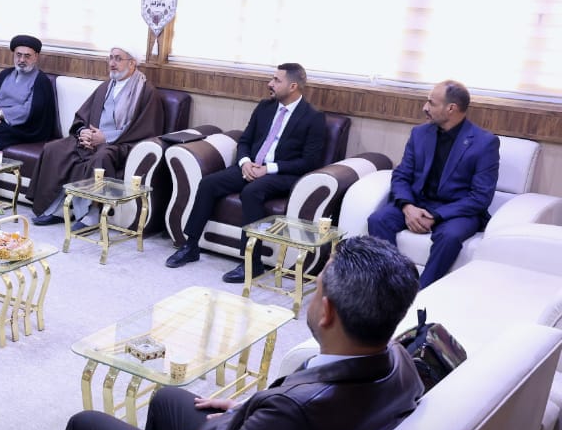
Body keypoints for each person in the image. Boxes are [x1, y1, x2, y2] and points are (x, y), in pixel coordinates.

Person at [60, 235, 423, 430]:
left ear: (326, 312)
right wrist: (247, 411)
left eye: (317, 288)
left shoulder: (293, 414)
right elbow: (306, 418)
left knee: (84, 425)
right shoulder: (400, 361)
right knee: (167, 398)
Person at [165, 62, 327, 283]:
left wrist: (268, 169)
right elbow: (245, 140)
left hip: (281, 174)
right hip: (251, 166)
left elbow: (309, 161)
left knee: (251, 192)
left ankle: (252, 262)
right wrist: (245, 162)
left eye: (276, 80)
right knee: (209, 183)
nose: (270, 83)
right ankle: (191, 245)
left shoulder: (313, 117)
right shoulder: (265, 107)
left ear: (293, 86)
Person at [367, 80, 499, 288]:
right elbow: (401, 175)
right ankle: (395, 285)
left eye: (431, 103)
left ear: (451, 108)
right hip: (418, 202)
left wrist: (436, 216)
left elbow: (481, 197)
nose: (424, 107)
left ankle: (421, 292)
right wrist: (407, 207)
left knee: (449, 236)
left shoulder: (484, 143)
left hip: (457, 211)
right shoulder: (420, 133)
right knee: (378, 219)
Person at [29, 46, 164, 228]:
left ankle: (92, 213)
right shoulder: (106, 86)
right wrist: (83, 132)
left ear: (132, 63)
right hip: (93, 139)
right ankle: (57, 208)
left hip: (121, 144)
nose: (112, 63)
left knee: (102, 157)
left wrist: (105, 138)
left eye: (118, 59)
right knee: (54, 149)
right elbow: (83, 115)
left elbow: (144, 130)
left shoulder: (146, 92)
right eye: (111, 58)